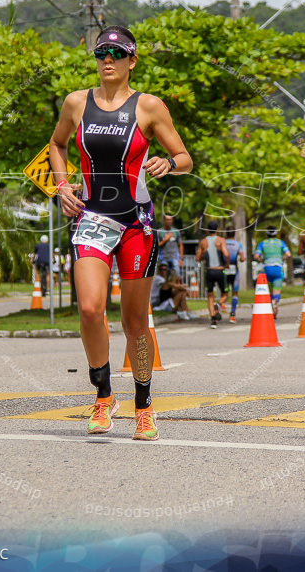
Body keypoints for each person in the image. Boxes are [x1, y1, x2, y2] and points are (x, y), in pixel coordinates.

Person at [49, 25, 192, 441]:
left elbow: (184, 156)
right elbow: (57, 145)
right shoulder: (76, 103)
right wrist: (61, 186)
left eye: (117, 52)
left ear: (132, 61)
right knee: (91, 309)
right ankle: (103, 393)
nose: (107, 59)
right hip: (91, 216)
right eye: (101, 52)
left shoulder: (149, 107)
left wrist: (170, 163)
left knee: (133, 321)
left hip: (136, 222)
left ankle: (144, 405)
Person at [195, 220, 231, 328]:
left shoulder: (203, 242)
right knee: (225, 294)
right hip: (220, 270)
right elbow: (226, 253)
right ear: (218, 229)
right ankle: (219, 304)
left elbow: (198, 258)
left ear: (207, 230)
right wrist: (227, 264)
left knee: (210, 296)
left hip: (209, 270)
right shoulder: (221, 240)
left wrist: (204, 257)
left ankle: (213, 320)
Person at [254, 227, 291, 316]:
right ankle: (275, 302)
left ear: (267, 234)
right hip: (278, 268)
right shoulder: (280, 242)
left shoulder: (263, 243)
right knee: (277, 289)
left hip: (267, 268)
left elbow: (256, 256)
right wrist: (282, 258)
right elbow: (288, 254)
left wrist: (261, 260)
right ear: (275, 234)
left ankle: (271, 304)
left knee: (269, 289)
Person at [223, 228, 245, 323]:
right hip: (234, 269)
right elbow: (243, 258)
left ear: (226, 233)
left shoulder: (223, 243)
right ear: (234, 234)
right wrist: (240, 259)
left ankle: (220, 306)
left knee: (225, 292)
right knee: (235, 293)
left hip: (224, 269)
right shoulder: (238, 244)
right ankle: (232, 314)